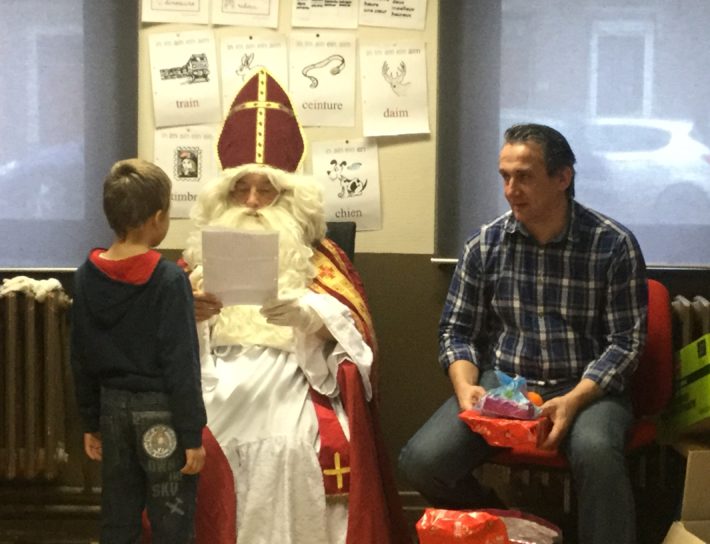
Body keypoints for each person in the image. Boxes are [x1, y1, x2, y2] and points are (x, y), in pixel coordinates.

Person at [181, 68, 409, 544]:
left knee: (292, 445)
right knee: (208, 436)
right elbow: (159, 337)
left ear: (288, 196)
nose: (252, 201)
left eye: (266, 189)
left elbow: (358, 335)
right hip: (211, 372)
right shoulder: (192, 262)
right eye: (240, 189)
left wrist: (312, 317)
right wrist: (191, 317)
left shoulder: (321, 257)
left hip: (295, 371)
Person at [398, 124, 648, 544]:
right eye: (505, 177)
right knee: (422, 462)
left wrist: (573, 399)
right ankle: (504, 523)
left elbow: (626, 343)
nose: (511, 190)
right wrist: (466, 388)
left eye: (524, 177)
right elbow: (457, 331)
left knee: (596, 453)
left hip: (586, 387)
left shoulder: (613, 244)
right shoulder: (484, 245)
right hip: (506, 384)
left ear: (563, 177)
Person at [70, 158, 207, 543]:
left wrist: (90, 422)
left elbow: (79, 356)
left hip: (111, 411)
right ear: (158, 217)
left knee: (118, 516)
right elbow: (181, 363)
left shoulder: (85, 276)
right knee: (172, 520)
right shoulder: (169, 279)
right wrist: (192, 434)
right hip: (161, 414)